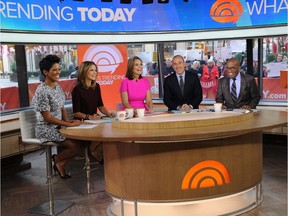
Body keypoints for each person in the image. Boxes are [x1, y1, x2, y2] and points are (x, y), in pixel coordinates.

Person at [32, 55, 83, 179]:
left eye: (59, 69)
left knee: (83, 141)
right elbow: (47, 118)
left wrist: (67, 121)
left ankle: (60, 164)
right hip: (46, 129)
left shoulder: (57, 86)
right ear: (45, 72)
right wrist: (68, 125)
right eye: (54, 70)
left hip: (59, 126)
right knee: (76, 146)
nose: (58, 72)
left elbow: (61, 107)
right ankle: (57, 159)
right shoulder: (42, 91)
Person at [72, 61, 115, 163]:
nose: (95, 72)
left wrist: (109, 114)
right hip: (83, 122)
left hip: (95, 121)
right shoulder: (77, 89)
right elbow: (76, 113)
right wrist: (89, 117)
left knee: (111, 131)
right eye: (91, 70)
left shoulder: (97, 86)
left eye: (95, 70)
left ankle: (94, 152)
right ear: (84, 72)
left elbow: (100, 106)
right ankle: (93, 152)